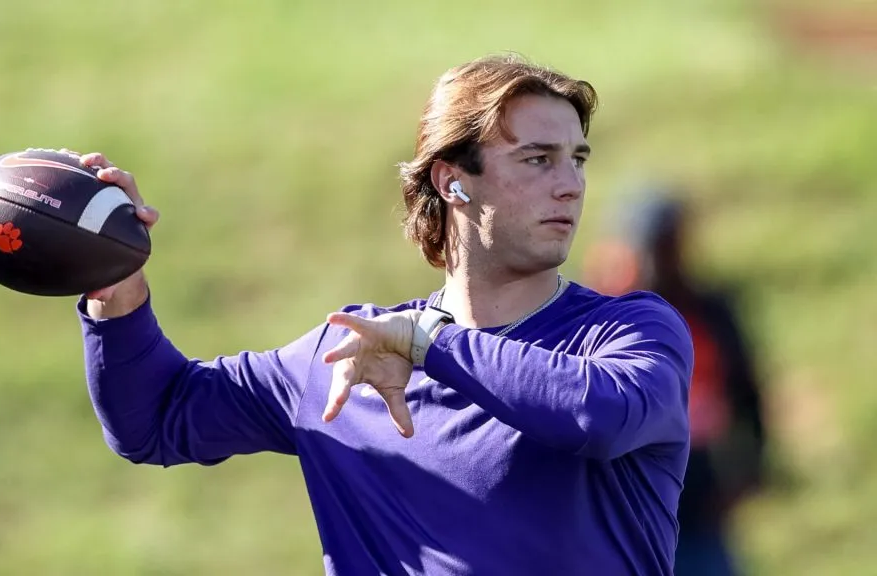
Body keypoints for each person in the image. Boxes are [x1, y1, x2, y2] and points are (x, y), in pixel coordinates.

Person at [70, 53, 695, 576]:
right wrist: (113, 283)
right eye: (538, 159)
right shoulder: (348, 353)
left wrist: (429, 344)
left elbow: (600, 414)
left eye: (577, 159)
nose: (571, 185)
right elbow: (153, 418)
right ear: (453, 182)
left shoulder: (631, 330)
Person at [583, 188, 768, 576]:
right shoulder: (603, 317)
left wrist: (750, 470)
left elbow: (747, 393)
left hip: (698, 503)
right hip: (622, 508)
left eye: (671, 244)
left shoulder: (709, 311)